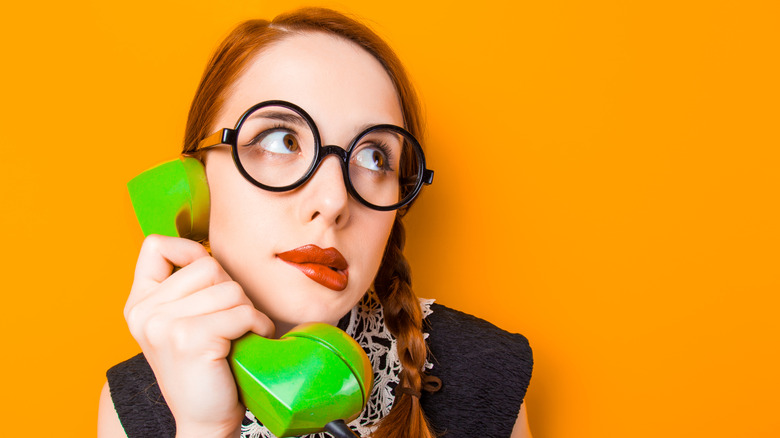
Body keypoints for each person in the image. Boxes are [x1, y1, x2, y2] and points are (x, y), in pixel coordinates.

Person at [97, 7, 533, 438]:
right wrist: (205, 429)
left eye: (373, 157)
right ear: (195, 184)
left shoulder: (482, 372)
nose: (333, 201)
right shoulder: (131, 405)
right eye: (281, 140)